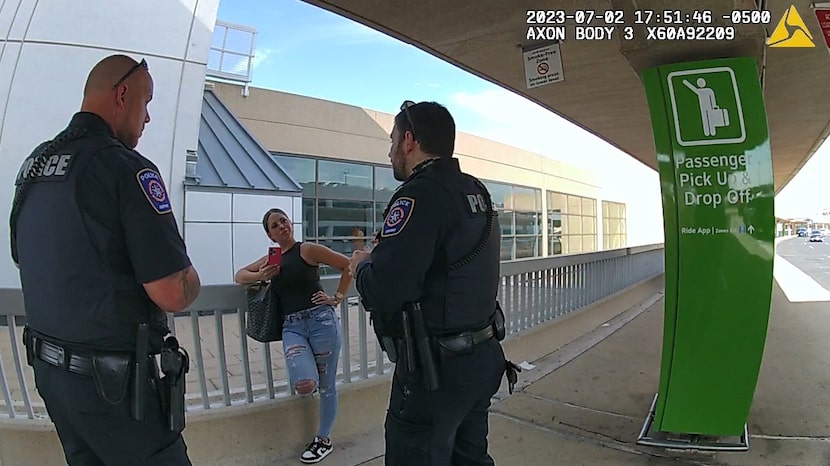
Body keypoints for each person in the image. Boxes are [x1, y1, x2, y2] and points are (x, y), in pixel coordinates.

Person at [9, 55, 201, 465]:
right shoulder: (125, 168)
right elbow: (172, 292)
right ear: (123, 94)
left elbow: (28, 261)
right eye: (146, 102)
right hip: (113, 388)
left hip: (53, 376)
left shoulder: (35, 165)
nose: (147, 117)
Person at [349, 101, 510, 465]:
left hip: (437, 372)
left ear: (409, 141)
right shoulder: (475, 191)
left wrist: (361, 266)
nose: (389, 150)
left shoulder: (419, 195)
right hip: (481, 359)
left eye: (392, 140)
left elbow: (386, 290)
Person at [235, 208, 351, 464]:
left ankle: (323, 439)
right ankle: (319, 429)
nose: (281, 227)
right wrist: (261, 275)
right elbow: (239, 276)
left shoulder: (307, 250)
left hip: (321, 321)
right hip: (292, 327)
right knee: (304, 384)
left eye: (283, 221)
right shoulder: (271, 259)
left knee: (326, 386)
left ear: (291, 223)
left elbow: (348, 266)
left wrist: (337, 298)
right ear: (270, 235)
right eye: (275, 226)